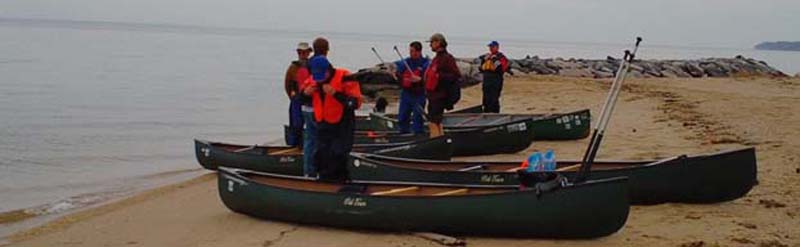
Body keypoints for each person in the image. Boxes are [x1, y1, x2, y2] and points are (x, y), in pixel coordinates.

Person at [302, 55, 362, 182]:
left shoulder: (345, 77)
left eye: (322, 76)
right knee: (321, 156)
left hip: (342, 124)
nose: (320, 80)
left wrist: (335, 94)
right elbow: (299, 98)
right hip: (322, 124)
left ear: (328, 70)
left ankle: (342, 183)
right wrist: (305, 93)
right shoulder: (313, 80)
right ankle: (323, 182)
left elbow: (355, 103)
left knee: (339, 155)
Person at [297, 37, 330, 177]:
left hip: (305, 107)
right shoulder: (323, 64)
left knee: (309, 141)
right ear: (327, 50)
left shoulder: (306, 64)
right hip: (316, 108)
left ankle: (308, 172)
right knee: (321, 142)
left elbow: (301, 84)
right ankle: (319, 172)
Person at [424, 33, 460, 137]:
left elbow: (455, 75)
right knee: (436, 121)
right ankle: (439, 140)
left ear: (438, 43)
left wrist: (438, 76)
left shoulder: (447, 58)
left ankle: (436, 142)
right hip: (433, 95)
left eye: (432, 42)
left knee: (433, 121)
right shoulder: (437, 58)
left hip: (440, 95)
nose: (430, 45)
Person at [394, 41, 430, 134]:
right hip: (406, 93)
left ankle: (418, 135)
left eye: (413, 51)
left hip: (419, 94)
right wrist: (396, 74)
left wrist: (420, 79)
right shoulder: (406, 62)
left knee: (417, 118)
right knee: (402, 117)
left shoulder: (425, 63)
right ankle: (403, 134)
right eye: (410, 51)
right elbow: (398, 72)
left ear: (418, 52)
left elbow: (429, 78)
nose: (411, 53)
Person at [284, 42, 312, 147]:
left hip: (309, 99)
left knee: (309, 124)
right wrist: (292, 96)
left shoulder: (311, 65)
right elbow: (287, 84)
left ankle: (303, 145)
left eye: (305, 52)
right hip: (297, 99)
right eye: (301, 52)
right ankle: (294, 145)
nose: (303, 54)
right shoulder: (293, 67)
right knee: (296, 124)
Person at [478, 40, 509, 113]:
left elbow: (501, 69)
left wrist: (494, 60)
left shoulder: (501, 57)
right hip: (487, 79)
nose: (491, 48)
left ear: (497, 47)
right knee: (486, 98)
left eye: (492, 47)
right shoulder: (487, 56)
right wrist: (483, 60)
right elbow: (481, 68)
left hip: (496, 79)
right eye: (490, 47)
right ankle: (486, 112)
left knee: (494, 98)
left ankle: (494, 113)